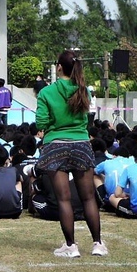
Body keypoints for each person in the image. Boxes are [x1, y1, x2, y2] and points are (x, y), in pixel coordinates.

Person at [34, 49, 104, 258]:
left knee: (64, 199)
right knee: (89, 197)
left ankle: (71, 246)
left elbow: (41, 123)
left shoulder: (47, 92)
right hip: (81, 143)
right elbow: (86, 119)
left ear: (58, 67)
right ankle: (97, 243)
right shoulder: (84, 90)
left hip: (55, 145)